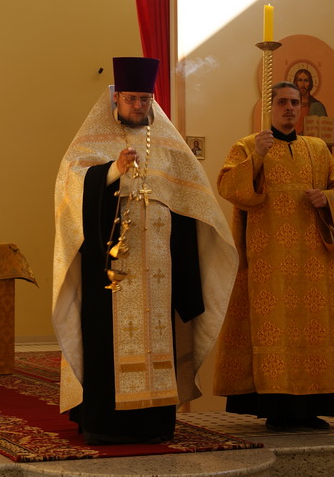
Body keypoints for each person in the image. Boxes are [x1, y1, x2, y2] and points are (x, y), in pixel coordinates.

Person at [53, 57, 237, 445]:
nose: (138, 106)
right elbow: (72, 187)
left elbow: (193, 201)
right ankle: (105, 425)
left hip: (159, 270)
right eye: (131, 98)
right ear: (115, 98)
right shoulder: (92, 140)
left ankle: (154, 424)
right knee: (106, 341)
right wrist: (112, 172)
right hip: (110, 267)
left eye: (145, 99)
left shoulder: (169, 144)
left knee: (158, 338)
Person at [213, 81, 334, 431]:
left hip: (314, 263)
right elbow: (229, 188)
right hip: (269, 262)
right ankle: (277, 410)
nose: (290, 108)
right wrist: (257, 157)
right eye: (282, 102)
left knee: (313, 331)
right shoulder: (247, 145)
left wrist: (328, 198)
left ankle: (311, 409)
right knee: (274, 331)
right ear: (270, 107)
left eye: (295, 102)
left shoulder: (317, 149)